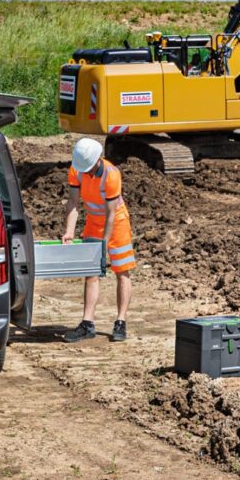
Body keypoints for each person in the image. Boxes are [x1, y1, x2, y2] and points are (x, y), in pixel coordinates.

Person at [61, 138, 136, 342]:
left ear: (97, 160)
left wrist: (104, 243)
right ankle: (87, 323)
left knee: (122, 271)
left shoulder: (112, 175)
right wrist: (69, 231)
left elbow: (111, 214)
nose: (87, 172)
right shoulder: (77, 170)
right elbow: (74, 203)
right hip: (93, 223)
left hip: (117, 224)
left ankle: (120, 322)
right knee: (91, 272)